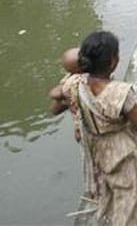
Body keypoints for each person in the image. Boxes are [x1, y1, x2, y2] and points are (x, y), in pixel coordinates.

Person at [57, 31, 137, 226]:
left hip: (95, 146)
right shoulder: (121, 92)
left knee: (106, 187)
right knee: (128, 194)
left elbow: (56, 107)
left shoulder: (75, 83)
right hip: (121, 149)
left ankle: (105, 215)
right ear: (113, 61)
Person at [49, 48, 96, 199]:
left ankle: (95, 191)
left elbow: (54, 107)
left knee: (91, 162)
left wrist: (61, 93)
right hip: (92, 130)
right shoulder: (84, 80)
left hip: (85, 131)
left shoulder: (69, 85)